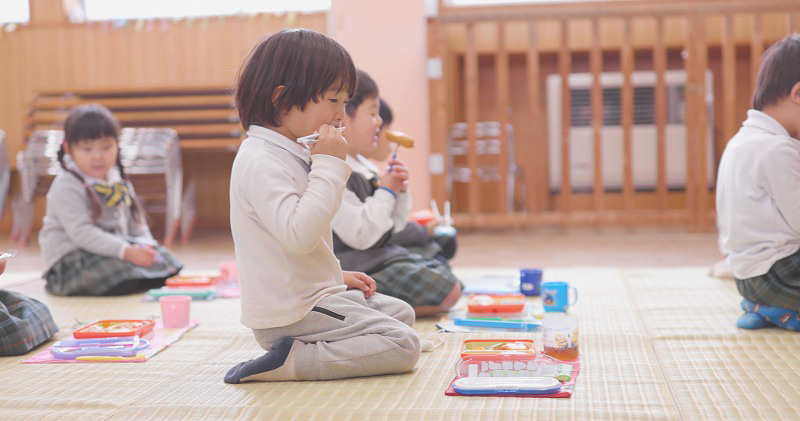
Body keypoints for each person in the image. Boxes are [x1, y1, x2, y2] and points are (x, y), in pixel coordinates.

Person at [224, 29, 420, 384]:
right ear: (282, 100)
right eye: (333, 101)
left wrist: (334, 276)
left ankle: (312, 349)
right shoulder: (261, 159)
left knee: (402, 314)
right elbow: (299, 235)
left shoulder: (289, 150)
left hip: (309, 297)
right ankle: (293, 361)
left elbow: (293, 244)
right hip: (289, 313)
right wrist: (328, 166)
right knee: (403, 343)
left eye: (345, 103)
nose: (341, 115)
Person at [331, 70, 461, 317]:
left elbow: (396, 224)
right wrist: (387, 190)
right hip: (357, 263)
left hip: (377, 254)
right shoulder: (336, 169)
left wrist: (399, 191)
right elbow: (360, 235)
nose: (379, 122)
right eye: (372, 113)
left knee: (440, 265)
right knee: (446, 287)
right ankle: (357, 305)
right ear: (345, 117)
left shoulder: (364, 167)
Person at [39, 104, 182, 296]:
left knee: (168, 262)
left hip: (112, 251)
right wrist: (126, 252)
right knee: (117, 272)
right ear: (69, 149)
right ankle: (134, 279)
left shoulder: (118, 181)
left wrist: (145, 246)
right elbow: (82, 233)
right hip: (73, 260)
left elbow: (136, 224)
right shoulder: (67, 184)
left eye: (106, 147)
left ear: (117, 145)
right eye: (87, 149)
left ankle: (136, 278)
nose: (98, 156)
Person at [716, 34, 800, 330]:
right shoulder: (779, 150)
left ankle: (765, 308)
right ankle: (782, 309)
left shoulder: (741, 141)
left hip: (747, 277)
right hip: (779, 274)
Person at [362, 99, 458, 263]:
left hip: (384, 245)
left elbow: (393, 220)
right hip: (371, 256)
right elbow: (379, 231)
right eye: (387, 129)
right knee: (440, 252)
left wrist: (400, 190)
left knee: (444, 245)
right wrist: (424, 230)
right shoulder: (355, 175)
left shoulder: (368, 170)